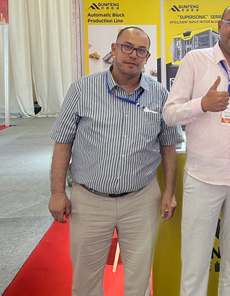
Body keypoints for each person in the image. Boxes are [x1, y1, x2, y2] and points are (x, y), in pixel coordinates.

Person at [49, 27, 183, 296]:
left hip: (141, 200)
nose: (133, 55)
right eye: (127, 47)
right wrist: (57, 192)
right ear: (114, 49)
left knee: (139, 280)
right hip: (90, 200)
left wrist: (169, 191)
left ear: (147, 57)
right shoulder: (82, 90)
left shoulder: (159, 95)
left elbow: (168, 146)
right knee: (85, 283)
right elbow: (63, 142)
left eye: (141, 50)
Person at [163, 3, 230, 296]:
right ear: (219, 25)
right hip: (203, 178)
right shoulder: (195, 60)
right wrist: (202, 105)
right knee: (195, 265)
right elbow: (169, 114)